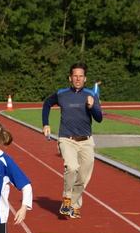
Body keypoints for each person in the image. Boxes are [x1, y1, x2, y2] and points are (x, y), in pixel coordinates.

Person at [42, 62, 103, 219]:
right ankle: (67, 198)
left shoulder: (91, 95)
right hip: (66, 139)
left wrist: (92, 107)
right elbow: (47, 104)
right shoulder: (61, 94)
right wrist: (46, 124)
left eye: (81, 76)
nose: (78, 79)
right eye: (75, 76)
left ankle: (75, 205)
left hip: (86, 141)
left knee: (83, 178)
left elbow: (99, 118)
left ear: (85, 78)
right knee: (72, 167)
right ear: (70, 78)